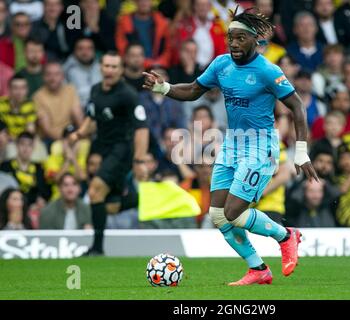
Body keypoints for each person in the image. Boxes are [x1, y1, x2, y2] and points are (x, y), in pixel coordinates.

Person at [143, 8, 318, 286]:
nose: (233, 44)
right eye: (230, 38)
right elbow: (192, 90)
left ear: (254, 41)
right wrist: (164, 88)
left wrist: (300, 151)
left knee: (233, 212)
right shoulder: (221, 64)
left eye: (240, 39)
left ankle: (286, 236)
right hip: (232, 144)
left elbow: (297, 106)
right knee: (217, 215)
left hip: (261, 146)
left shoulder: (267, 70)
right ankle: (258, 269)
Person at [69, 51, 149, 255]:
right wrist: (78, 134)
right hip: (103, 150)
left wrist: (139, 160)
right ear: (100, 68)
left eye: (114, 67)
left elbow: (141, 128)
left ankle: (96, 249)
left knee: (95, 191)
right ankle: (147, 197)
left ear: (121, 70)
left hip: (121, 151)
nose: (110, 70)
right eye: (107, 66)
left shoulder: (128, 94)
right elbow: (91, 118)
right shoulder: (96, 90)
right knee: (109, 205)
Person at [33, 61, 84, 144]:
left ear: (62, 76)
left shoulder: (70, 90)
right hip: (48, 139)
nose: (52, 78)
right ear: (43, 77)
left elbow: (78, 115)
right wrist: (67, 140)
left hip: (71, 132)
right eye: (49, 74)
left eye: (57, 74)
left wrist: (81, 135)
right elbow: (47, 129)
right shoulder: (38, 96)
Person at [63, 37, 102, 109]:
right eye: (80, 48)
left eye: (89, 48)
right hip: (76, 111)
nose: (85, 52)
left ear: (94, 51)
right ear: (74, 51)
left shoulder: (101, 67)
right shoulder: (66, 70)